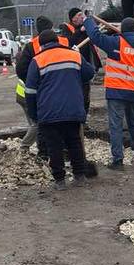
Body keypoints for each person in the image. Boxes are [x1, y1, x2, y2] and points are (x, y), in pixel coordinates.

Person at [23, 29, 95, 188]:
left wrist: (34, 114)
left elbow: (30, 91)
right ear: (57, 41)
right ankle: (79, 176)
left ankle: (60, 181)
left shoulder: (37, 60)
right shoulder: (74, 55)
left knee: (54, 147)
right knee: (74, 142)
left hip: (49, 113)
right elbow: (89, 73)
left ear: (41, 45)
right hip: (73, 110)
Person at [82, 12, 134, 168]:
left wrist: (88, 20)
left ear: (123, 30)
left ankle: (118, 160)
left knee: (116, 125)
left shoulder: (116, 43)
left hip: (117, 91)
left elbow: (96, 37)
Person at [15, 15, 57, 149]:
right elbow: (21, 70)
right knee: (37, 123)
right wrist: (35, 82)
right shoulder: (35, 46)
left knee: (38, 124)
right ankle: (24, 148)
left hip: (26, 92)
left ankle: (42, 149)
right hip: (28, 93)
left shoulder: (31, 45)